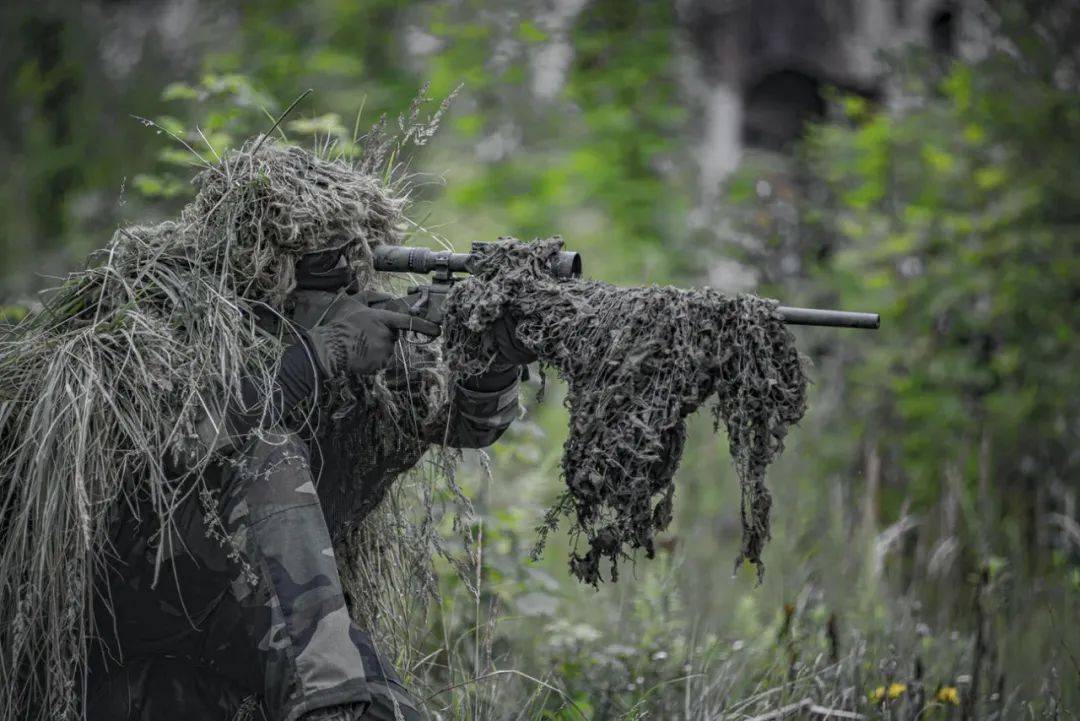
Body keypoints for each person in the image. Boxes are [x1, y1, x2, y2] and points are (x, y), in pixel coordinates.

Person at [86, 242, 535, 721]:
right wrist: (319, 353)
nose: (347, 300)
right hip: (127, 629)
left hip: (243, 631)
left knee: (385, 709)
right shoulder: (182, 325)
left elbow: (465, 423)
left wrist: (495, 359)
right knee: (271, 453)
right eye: (322, 288)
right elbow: (181, 443)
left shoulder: (366, 367)